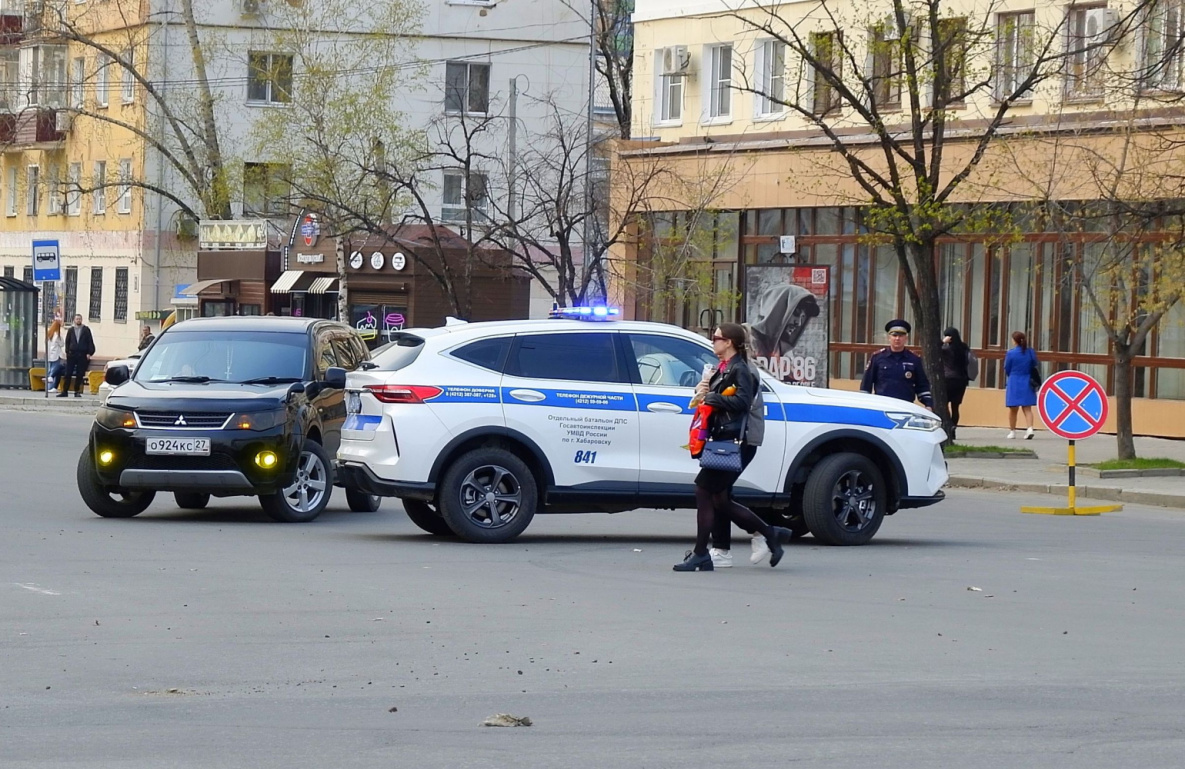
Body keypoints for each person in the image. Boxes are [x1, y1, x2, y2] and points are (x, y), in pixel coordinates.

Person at [674, 323, 792, 572]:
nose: (712, 341)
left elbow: (741, 402)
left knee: (703, 491)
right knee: (719, 498)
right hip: (724, 439)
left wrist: (711, 397)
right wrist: (703, 389)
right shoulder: (724, 368)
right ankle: (770, 533)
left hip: (737, 442)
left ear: (728, 342)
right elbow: (715, 397)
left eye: (715, 337)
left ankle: (700, 554)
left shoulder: (741, 369)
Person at [860, 320, 934, 409]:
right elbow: (866, 383)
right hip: (882, 406)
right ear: (889, 337)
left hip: (906, 406)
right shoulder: (877, 357)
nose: (897, 339)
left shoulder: (914, 359)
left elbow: (922, 385)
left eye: (901, 336)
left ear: (906, 338)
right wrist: (864, 404)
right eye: (894, 335)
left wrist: (928, 404)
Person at [940, 327, 977, 441]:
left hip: (948, 380)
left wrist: (942, 342)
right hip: (961, 381)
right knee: (955, 407)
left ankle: (947, 427)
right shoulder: (964, 348)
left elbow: (935, 349)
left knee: (944, 405)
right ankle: (953, 429)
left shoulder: (946, 349)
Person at [1004, 331, 1039, 439]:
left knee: (1013, 409)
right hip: (1027, 380)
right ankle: (1030, 429)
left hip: (1014, 380)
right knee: (1027, 408)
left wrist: (1012, 374)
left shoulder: (1011, 353)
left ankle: (1012, 431)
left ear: (1014, 341)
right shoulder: (1030, 352)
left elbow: (1007, 367)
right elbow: (1035, 364)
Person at [61, 314, 95, 399]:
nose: (78, 320)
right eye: (77, 319)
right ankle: (64, 391)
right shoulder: (71, 330)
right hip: (72, 354)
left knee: (80, 374)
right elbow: (67, 341)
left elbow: (90, 341)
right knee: (68, 373)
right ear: (74, 320)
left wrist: (89, 353)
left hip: (82, 354)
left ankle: (77, 391)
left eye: (79, 319)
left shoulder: (86, 330)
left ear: (81, 320)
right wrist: (67, 352)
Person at [45, 320, 66, 393]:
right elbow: (62, 344)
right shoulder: (57, 335)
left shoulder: (49, 334)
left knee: (50, 370)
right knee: (56, 370)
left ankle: (49, 387)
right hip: (56, 355)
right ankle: (53, 386)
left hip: (49, 355)